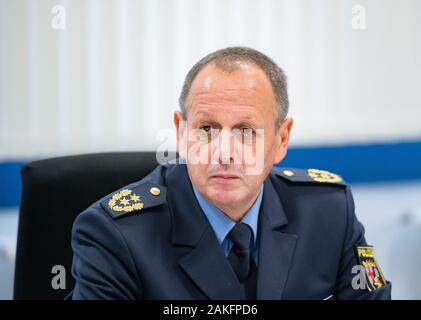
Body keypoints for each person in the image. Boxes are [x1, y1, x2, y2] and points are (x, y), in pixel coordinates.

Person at [68, 47, 391, 299]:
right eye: (207, 128)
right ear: (181, 132)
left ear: (281, 139)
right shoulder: (117, 234)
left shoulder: (328, 211)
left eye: (246, 131)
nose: (224, 152)